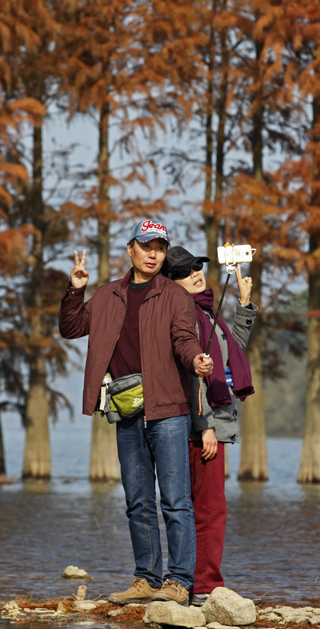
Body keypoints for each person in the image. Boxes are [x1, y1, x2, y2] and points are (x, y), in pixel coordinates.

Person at [58, 220, 213, 606]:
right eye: (146, 246)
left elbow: (184, 339)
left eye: (160, 247)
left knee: (175, 501)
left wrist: (196, 360)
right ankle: (146, 578)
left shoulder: (175, 297)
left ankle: (178, 582)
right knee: (137, 502)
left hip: (169, 410)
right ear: (131, 249)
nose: (153, 253)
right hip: (126, 412)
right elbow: (72, 327)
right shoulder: (108, 295)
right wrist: (75, 289)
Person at [162, 245, 256, 607]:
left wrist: (244, 306)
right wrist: (205, 428)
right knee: (207, 508)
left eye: (197, 267)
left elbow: (230, 356)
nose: (196, 273)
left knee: (201, 506)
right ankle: (203, 586)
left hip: (211, 424)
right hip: (200, 427)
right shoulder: (184, 317)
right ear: (171, 283)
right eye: (185, 272)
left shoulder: (204, 313)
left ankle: (195, 582)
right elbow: (191, 378)